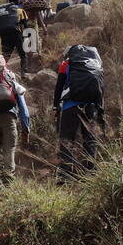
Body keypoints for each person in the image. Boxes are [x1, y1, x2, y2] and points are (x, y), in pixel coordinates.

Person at [52, 46, 105, 183]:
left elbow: (59, 86)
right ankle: (91, 173)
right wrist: (100, 110)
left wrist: (56, 106)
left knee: (66, 139)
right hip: (91, 107)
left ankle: (65, 175)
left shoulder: (66, 64)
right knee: (90, 139)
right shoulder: (96, 65)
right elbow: (101, 89)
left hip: (71, 105)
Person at [0, 0, 28, 71]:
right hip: (15, 34)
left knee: (6, 54)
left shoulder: (3, 12)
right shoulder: (20, 10)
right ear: (18, 2)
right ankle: (24, 72)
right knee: (23, 54)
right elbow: (26, 25)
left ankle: (0, 71)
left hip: (4, 34)